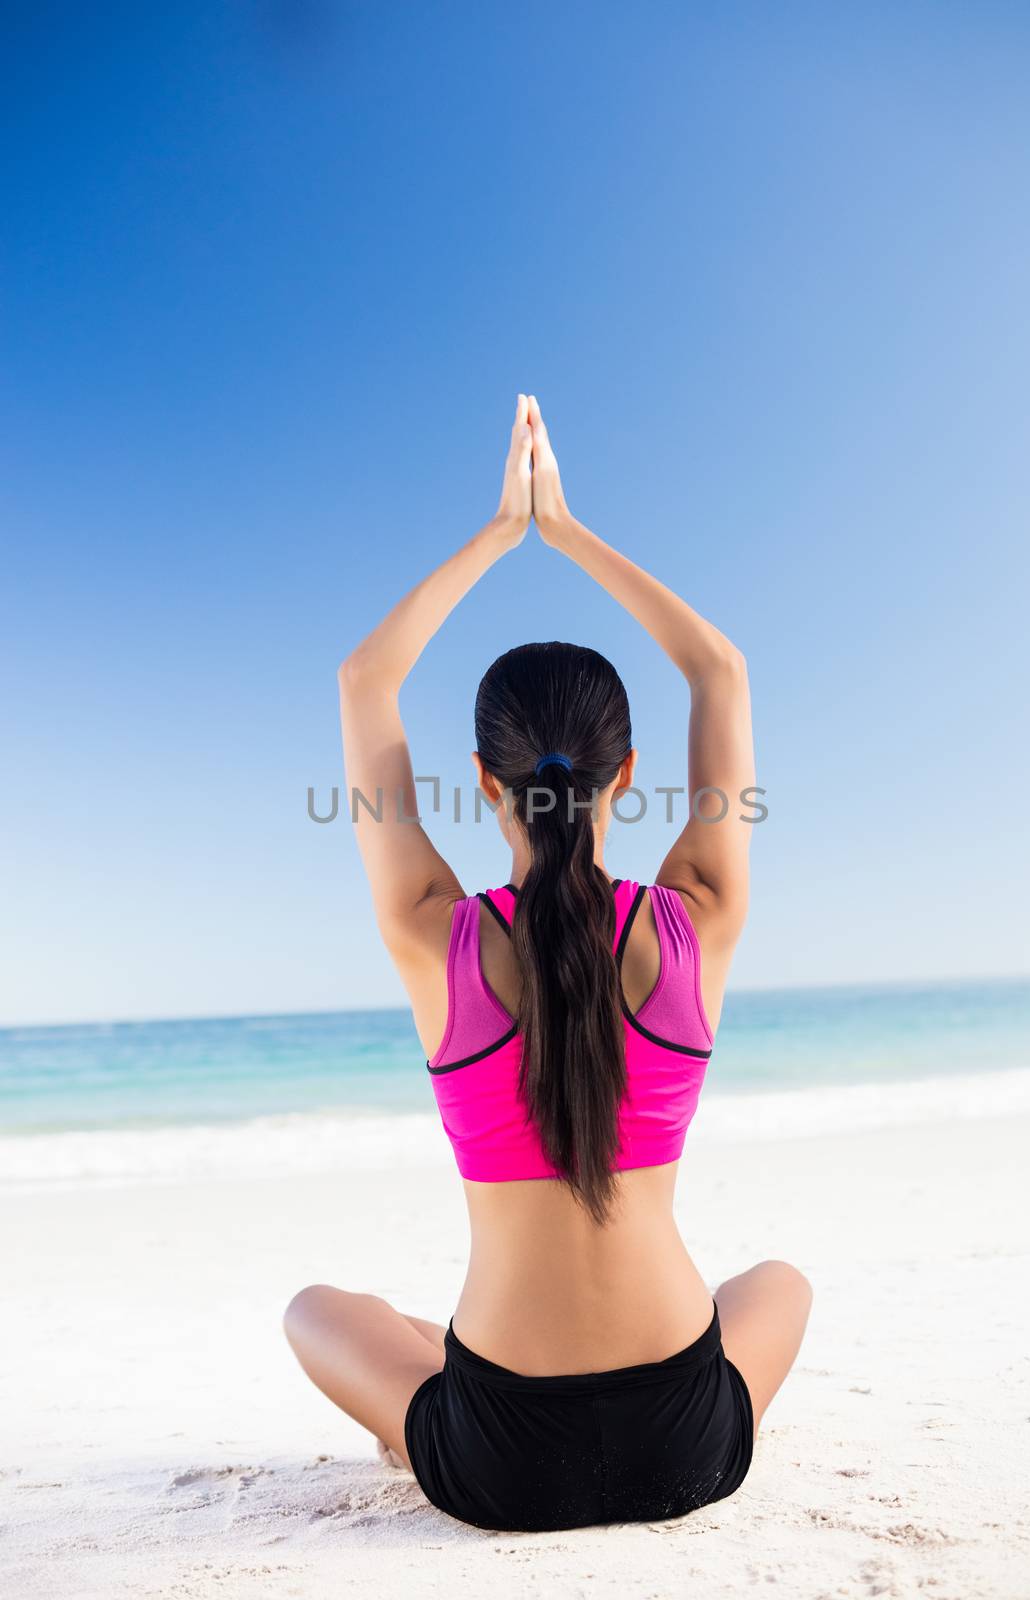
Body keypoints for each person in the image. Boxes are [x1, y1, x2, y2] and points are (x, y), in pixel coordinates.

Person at [283, 394, 812, 1531]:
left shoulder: (436, 932)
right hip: (686, 1434)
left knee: (318, 1312)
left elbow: (361, 682)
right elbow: (717, 670)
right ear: (626, 779)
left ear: (483, 780)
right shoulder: (696, 919)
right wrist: (564, 529)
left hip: (499, 1460)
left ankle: (425, 1372)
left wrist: (496, 531)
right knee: (780, 1286)